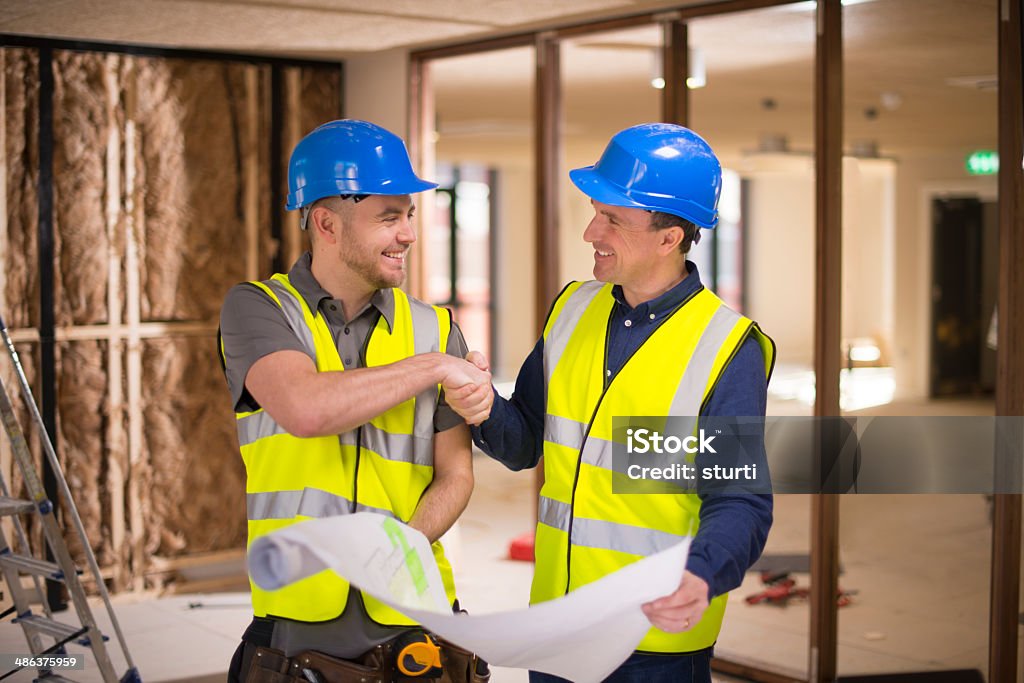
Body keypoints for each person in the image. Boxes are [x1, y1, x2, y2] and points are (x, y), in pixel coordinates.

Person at [467, 123, 776, 683]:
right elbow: (522, 444)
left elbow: (739, 500)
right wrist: (481, 403)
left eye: (612, 218)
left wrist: (702, 575)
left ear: (669, 237)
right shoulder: (572, 310)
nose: (591, 231)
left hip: (651, 642)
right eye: (594, 211)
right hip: (559, 624)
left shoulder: (725, 348)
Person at [220, 119, 494, 683]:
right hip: (297, 620)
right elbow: (306, 410)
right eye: (389, 217)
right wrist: (434, 368)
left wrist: (405, 545)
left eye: (409, 215)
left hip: (416, 614)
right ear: (326, 223)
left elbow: (457, 473)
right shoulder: (260, 309)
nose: (409, 234)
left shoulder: (436, 328)